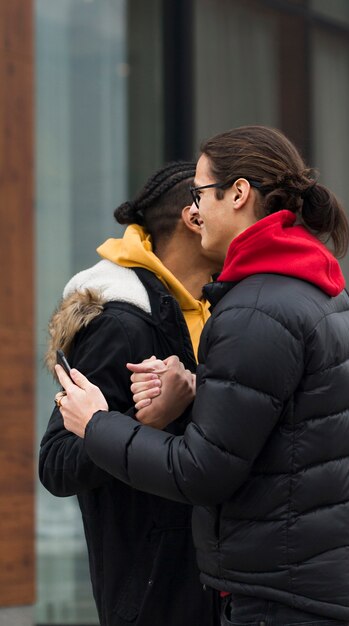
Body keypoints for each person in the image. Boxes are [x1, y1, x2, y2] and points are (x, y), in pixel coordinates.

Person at [55, 126, 349, 626]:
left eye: (202, 193)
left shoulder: (256, 308)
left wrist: (100, 423)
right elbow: (288, 424)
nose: (197, 210)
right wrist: (204, 392)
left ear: (239, 194)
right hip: (292, 583)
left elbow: (203, 469)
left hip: (272, 595)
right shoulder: (318, 289)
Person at [39, 161, 221, 626]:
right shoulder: (120, 323)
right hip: (154, 598)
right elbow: (57, 462)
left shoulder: (218, 308)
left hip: (213, 586)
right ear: (195, 217)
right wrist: (147, 421)